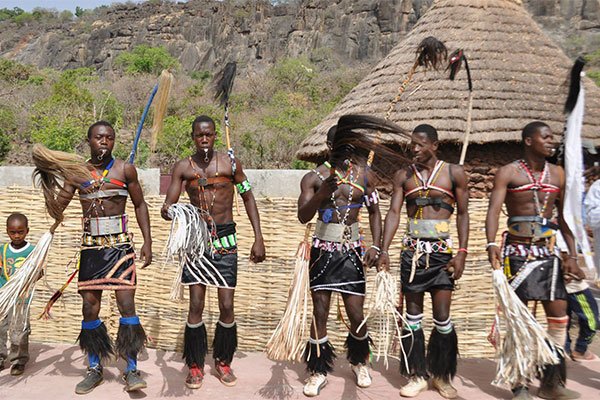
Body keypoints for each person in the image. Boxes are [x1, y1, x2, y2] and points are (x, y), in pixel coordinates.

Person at [41, 121, 153, 394]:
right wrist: (48, 179)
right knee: (89, 308)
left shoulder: (125, 170)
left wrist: (148, 241)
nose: (104, 141)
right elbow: (58, 208)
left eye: (109, 138)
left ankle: (131, 369)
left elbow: (140, 204)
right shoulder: (77, 173)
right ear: (89, 140)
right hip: (91, 249)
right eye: (99, 137)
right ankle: (94, 368)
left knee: (127, 305)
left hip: (120, 247)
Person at [161, 115, 266, 389]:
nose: (204, 139)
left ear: (215, 135)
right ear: (193, 137)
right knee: (196, 304)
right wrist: (170, 210)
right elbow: (168, 204)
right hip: (196, 241)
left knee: (227, 305)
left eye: (208, 134)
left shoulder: (231, 164)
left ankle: (223, 360)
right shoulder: (183, 167)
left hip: (226, 239)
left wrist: (259, 237)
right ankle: (195, 365)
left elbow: (248, 196)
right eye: (199, 135)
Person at [485, 121, 585, 400]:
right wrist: (491, 243)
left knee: (559, 317)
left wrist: (573, 256)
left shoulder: (558, 174)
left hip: (548, 253)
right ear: (529, 141)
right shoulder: (508, 172)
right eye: (546, 137)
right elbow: (493, 210)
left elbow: (564, 218)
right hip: (517, 254)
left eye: (552, 137)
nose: (552, 141)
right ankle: (520, 384)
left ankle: (552, 382)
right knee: (519, 318)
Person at [378, 124, 469, 399]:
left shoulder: (453, 173)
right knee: (412, 317)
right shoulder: (403, 176)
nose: (414, 149)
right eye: (412, 145)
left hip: (442, 257)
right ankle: (416, 374)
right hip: (413, 256)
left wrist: (462, 252)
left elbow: (463, 213)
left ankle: (442, 376)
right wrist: (384, 249)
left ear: (434, 145)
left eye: (420, 144)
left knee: (442, 318)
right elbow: (394, 212)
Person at [297, 124, 381, 397]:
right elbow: (303, 216)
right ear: (330, 147)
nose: (347, 150)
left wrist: (377, 246)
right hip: (322, 250)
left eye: (350, 145)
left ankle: (359, 361)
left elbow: (375, 212)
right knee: (320, 311)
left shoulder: (365, 176)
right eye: (341, 145)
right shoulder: (313, 178)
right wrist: (322, 194)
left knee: (356, 312)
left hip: (352, 250)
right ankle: (318, 369)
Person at [0, 213, 35, 376]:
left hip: (22, 298)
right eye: (12, 232)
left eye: (20, 232)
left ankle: (19, 361)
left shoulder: (33, 251)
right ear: (7, 231)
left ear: (27, 231)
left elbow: (39, 273)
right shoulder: (3, 250)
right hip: (3, 296)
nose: (17, 236)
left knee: (19, 330)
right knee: (1, 328)